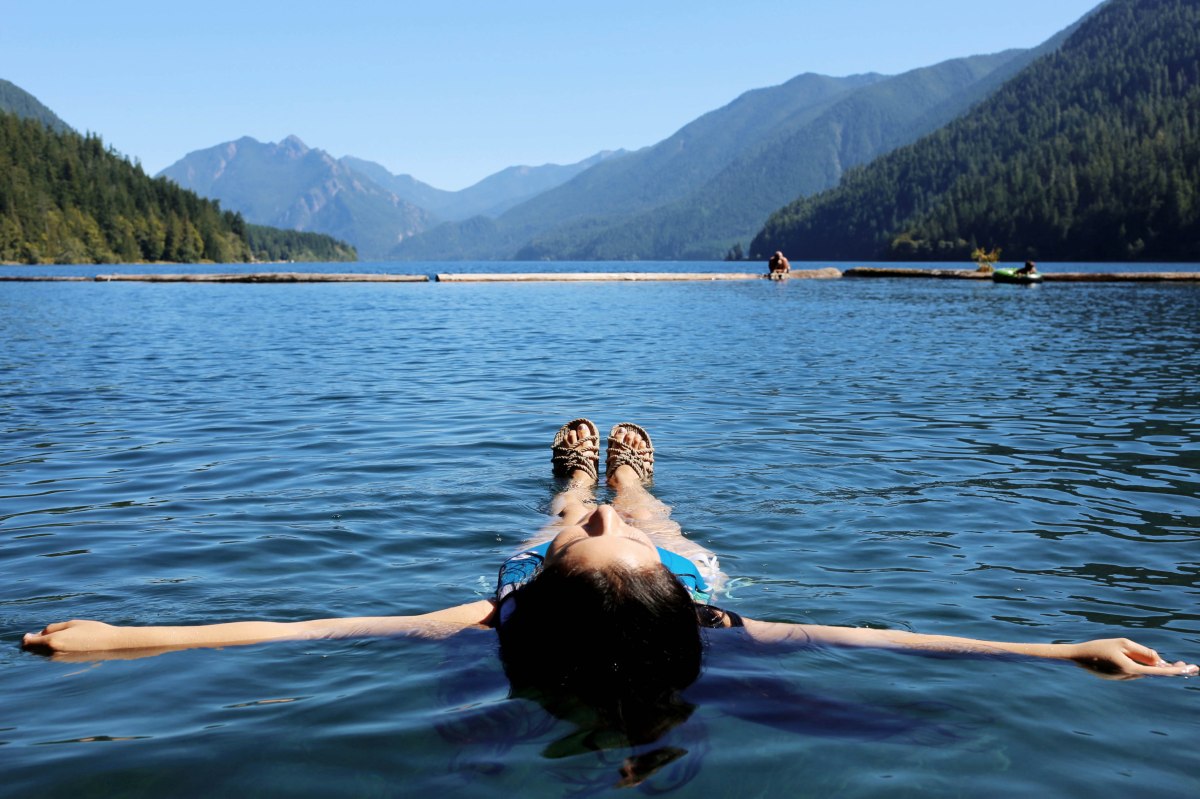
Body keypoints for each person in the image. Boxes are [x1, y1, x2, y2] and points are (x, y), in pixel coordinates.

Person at [22, 419, 1198, 688]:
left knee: (566, 505)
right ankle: (636, 470)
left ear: (532, 596)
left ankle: (573, 467)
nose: (602, 537)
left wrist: (122, 637)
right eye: (603, 533)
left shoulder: (489, 617)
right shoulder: (711, 616)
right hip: (665, 583)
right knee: (665, 520)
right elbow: (887, 638)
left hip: (588, 596)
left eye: (587, 540)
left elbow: (294, 631)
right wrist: (1061, 650)